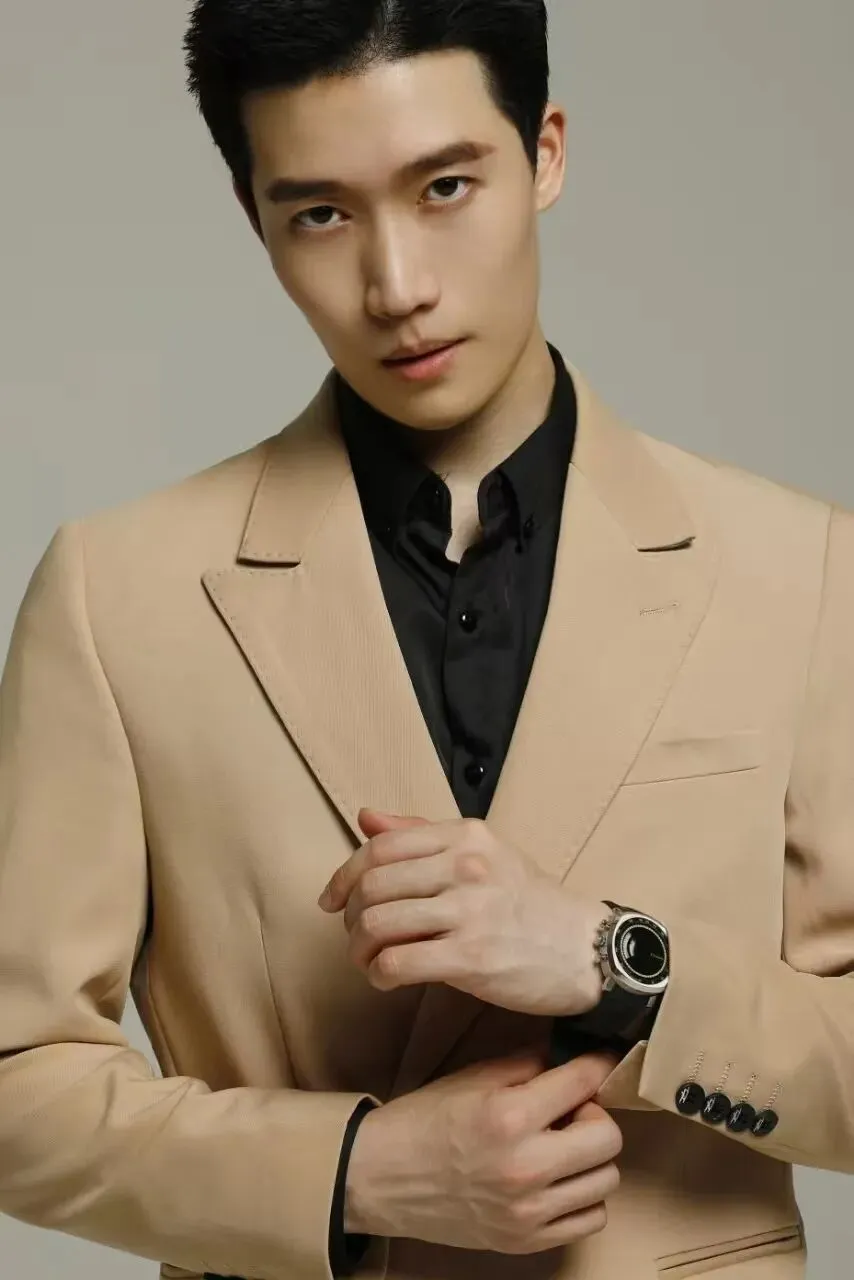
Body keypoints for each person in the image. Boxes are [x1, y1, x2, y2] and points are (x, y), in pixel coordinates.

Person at [0, 1, 852, 1278]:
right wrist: (356, 1172)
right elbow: (16, 1078)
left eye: (444, 186)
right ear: (252, 218)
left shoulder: (801, 568)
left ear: (544, 153)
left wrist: (614, 964)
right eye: (319, 214)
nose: (396, 285)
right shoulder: (116, 594)